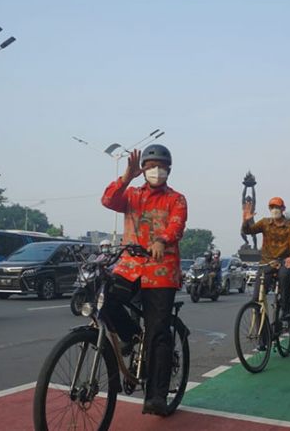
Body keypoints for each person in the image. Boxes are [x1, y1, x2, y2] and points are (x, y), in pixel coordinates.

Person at [101, 144, 187, 416]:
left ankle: (157, 396)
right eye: (150, 167)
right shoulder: (132, 195)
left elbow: (177, 224)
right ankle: (132, 336)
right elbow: (108, 201)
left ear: (169, 170)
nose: (155, 171)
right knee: (107, 302)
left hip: (162, 270)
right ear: (144, 170)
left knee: (159, 332)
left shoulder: (177, 199)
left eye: (160, 167)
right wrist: (126, 176)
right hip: (130, 266)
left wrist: (162, 239)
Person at [242, 196, 290, 321]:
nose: (274, 209)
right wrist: (246, 221)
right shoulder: (265, 222)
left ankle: (286, 309)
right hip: (266, 262)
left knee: (284, 275)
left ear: (283, 208)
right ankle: (263, 334)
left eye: (277, 207)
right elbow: (248, 231)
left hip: (284, 260)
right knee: (257, 299)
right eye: (272, 207)